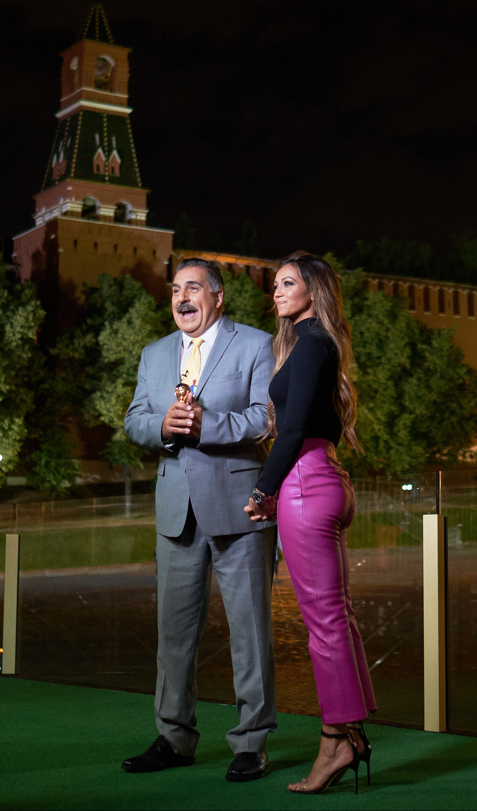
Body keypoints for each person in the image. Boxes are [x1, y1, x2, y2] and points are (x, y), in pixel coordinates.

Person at [121, 258, 277, 783]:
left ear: (217, 296)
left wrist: (209, 424)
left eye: (192, 288)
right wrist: (162, 426)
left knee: (249, 632)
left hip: (239, 508)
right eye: (175, 290)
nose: (181, 298)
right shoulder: (154, 353)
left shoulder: (255, 344)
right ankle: (173, 738)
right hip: (175, 512)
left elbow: (265, 417)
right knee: (174, 635)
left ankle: (251, 744)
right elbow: (134, 419)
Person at [244, 252, 375, 794]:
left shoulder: (310, 344)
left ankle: (335, 740)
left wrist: (263, 489)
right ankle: (351, 732)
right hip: (326, 480)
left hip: (304, 483)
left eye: (288, 283)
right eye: (274, 284)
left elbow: (291, 430)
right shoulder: (317, 344)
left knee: (323, 625)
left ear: (313, 289)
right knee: (335, 619)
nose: (276, 291)